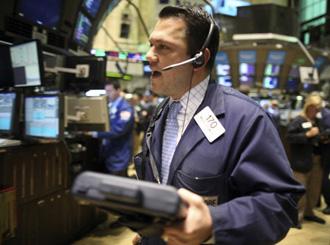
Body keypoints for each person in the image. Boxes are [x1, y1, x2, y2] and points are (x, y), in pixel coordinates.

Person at [133, 5, 304, 245]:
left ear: (200, 58)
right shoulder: (162, 111)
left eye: (163, 47)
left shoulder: (246, 118)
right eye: (152, 44)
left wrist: (215, 223)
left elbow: (280, 204)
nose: (149, 56)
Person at [286, 93, 326, 226]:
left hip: (316, 160)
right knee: (300, 191)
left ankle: (309, 213)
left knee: (314, 190)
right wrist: (307, 135)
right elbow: (289, 137)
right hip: (300, 162)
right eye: (313, 107)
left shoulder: (318, 121)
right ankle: (296, 217)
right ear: (308, 106)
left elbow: (318, 137)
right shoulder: (299, 120)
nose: (315, 110)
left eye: (317, 108)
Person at [89, 79, 134, 177]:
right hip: (107, 153)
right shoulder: (109, 105)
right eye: (106, 91)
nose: (107, 94)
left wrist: (95, 133)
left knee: (116, 186)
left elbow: (118, 130)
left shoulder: (125, 108)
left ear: (118, 90)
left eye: (110, 91)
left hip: (119, 155)